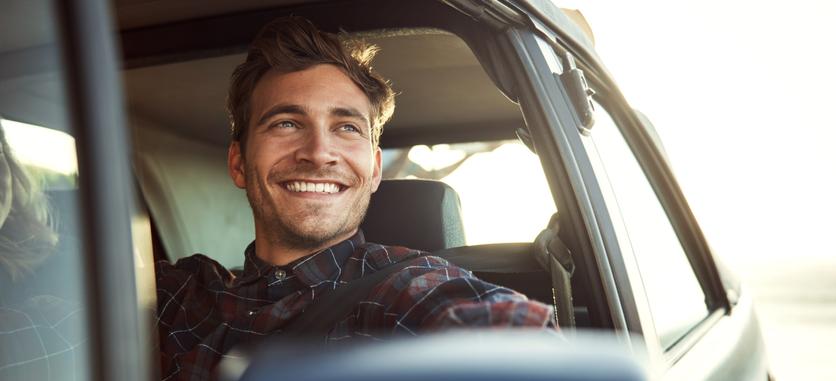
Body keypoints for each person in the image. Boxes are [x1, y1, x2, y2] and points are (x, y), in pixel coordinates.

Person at [154, 16, 554, 380]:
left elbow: (520, 345)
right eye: (287, 122)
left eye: (346, 127)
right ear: (239, 163)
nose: (318, 151)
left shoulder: (405, 289)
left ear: (375, 169)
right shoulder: (180, 296)